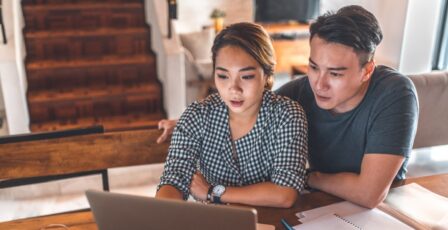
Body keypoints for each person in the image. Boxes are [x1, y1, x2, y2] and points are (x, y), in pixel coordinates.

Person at [157, 5, 419, 209]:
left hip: (382, 212)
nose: (319, 84)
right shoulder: (299, 93)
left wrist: (309, 177)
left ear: (366, 71)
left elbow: (369, 194)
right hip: (318, 207)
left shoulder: (394, 93)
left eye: (335, 74)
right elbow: (248, 105)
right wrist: (186, 122)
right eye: (314, 67)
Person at [156, 22, 308, 208]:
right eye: (223, 76)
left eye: (246, 76)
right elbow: (173, 179)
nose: (233, 89)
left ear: (267, 73)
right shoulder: (196, 116)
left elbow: (285, 193)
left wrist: (213, 191)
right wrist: (163, 214)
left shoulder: (287, 115)